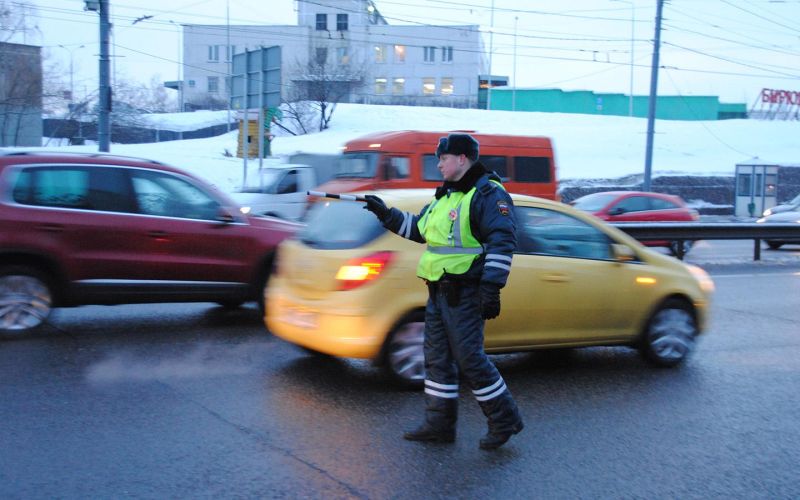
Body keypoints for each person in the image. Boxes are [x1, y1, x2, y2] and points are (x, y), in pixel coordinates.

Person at [363, 133, 524, 450]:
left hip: (466, 293)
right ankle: (439, 425)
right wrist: (386, 214)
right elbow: (419, 230)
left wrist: (491, 288)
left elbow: (503, 240)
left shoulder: (488, 194)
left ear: (462, 159)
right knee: (436, 361)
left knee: (470, 360)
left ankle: (505, 419)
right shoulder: (445, 197)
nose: (439, 165)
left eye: (443, 159)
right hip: (438, 292)